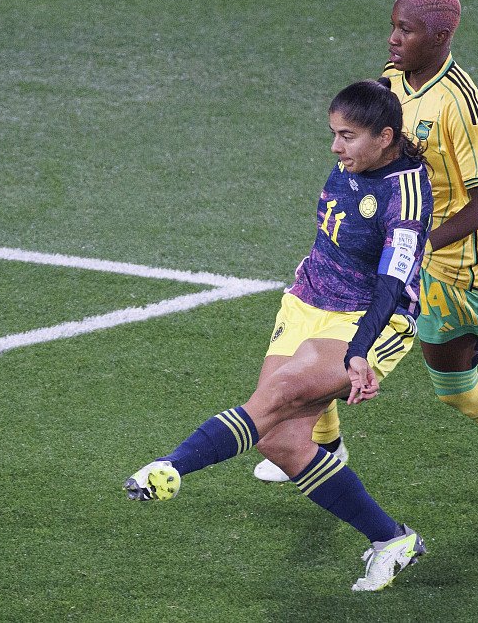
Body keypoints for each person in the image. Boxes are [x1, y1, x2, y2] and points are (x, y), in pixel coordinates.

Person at [253, 0, 478, 501]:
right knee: (331, 332)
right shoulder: (392, 81)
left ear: (440, 36)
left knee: (456, 389)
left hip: (451, 265)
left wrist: (421, 244)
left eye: (404, 31)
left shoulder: (460, 104)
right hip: (394, 247)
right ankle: (325, 444)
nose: (392, 39)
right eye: (392, 26)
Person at [124, 79, 434, 591]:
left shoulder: (407, 193)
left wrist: (359, 352)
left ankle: (170, 466)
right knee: (279, 441)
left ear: (384, 137)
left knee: (280, 395)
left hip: (368, 319)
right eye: (333, 133)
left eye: (348, 136)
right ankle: (391, 539)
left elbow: (392, 282)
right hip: (306, 300)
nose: (336, 147)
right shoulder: (359, 158)